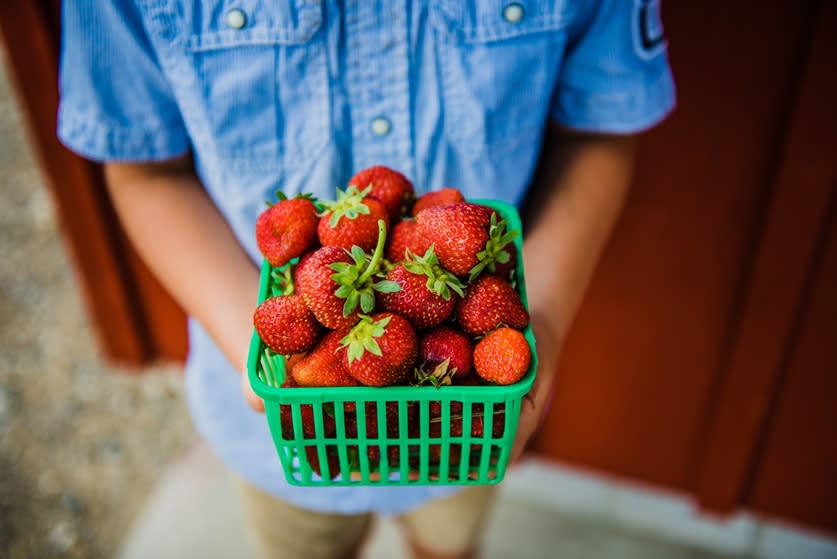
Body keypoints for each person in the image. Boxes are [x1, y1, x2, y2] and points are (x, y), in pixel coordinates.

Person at [58, 1, 675, 557]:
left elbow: (597, 129)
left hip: (467, 421)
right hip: (277, 438)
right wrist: (259, 344)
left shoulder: (449, 314)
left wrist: (542, 324)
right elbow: (144, 167)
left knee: (449, 544)